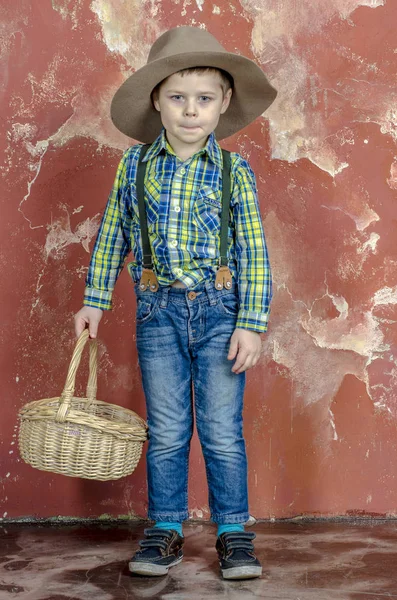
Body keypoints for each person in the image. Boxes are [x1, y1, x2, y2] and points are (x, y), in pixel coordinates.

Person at [74, 26, 276, 580]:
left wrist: (251, 324)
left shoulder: (234, 172)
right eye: (178, 98)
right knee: (165, 428)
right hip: (156, 312)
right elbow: (113, 234)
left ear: (224, 104)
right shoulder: (134, 167)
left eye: (204, 99)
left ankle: (233, 531)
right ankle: (164, 527)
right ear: (157, 101)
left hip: (220, 312)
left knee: (219, 428)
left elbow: (254, 250)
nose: (191, 111)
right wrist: (96, 300)